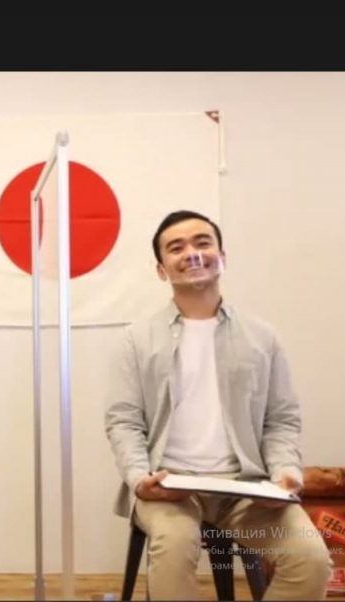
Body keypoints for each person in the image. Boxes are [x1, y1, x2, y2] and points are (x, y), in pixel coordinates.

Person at [104, 210, 332, 600]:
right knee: (174, 546)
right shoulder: (136, 339)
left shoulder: (262, 337)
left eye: (202, 242)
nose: (192, 253)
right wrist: (140, 477)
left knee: (311, 559)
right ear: (161, 269)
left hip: (247, 487)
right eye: (176, 248)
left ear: (222, 257)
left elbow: (281, 419)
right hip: (169, 485)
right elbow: (123, 421)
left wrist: (285, 471)